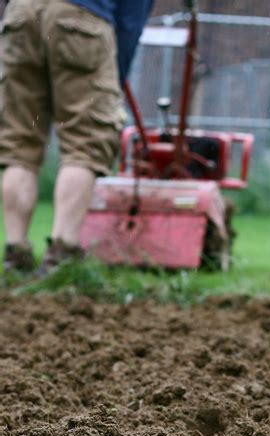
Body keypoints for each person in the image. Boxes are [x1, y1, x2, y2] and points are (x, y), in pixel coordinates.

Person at [0, 0, 153, 275]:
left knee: (18, 145)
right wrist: (115, 75)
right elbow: (131, 18)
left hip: (21, 15)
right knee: (85, 144)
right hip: (81, 17)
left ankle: (15, 255)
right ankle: (61, 257)